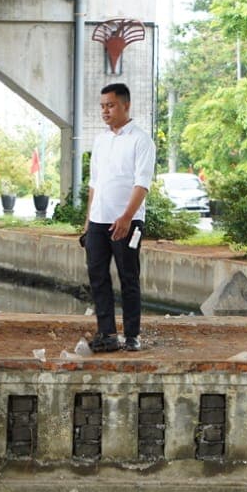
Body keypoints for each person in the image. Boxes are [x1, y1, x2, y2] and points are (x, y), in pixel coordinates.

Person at [83, 82, 155, 353]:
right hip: (99, 221)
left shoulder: (141, 140)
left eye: (110, 105)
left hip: (128, 222)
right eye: (102, 106)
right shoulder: (101, 140)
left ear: (125, 105)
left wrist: (126, 217)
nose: (105, 111)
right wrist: (88, 221)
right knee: (98, 277)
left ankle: (133, 335)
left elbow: (142, 184)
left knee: (128, 277)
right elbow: (94, 183)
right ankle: (107, 333)